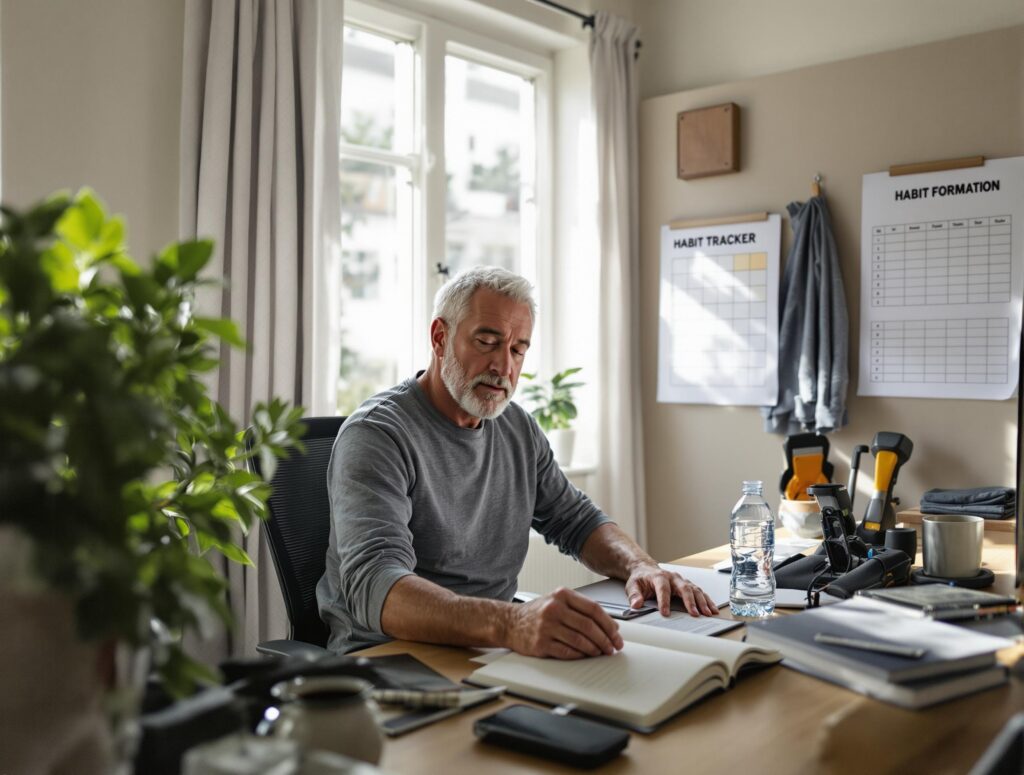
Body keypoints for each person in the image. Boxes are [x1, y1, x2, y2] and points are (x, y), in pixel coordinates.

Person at [316, 266, 717, 657]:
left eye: (517, 349)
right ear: (440, 338)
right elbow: (376, 587)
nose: (503, 367)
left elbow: (576, 521)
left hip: (491, 648)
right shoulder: (377, 435)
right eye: (486, 342)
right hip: (391, 657)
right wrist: (511, 623)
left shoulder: (516, 427)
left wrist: (641, 566)